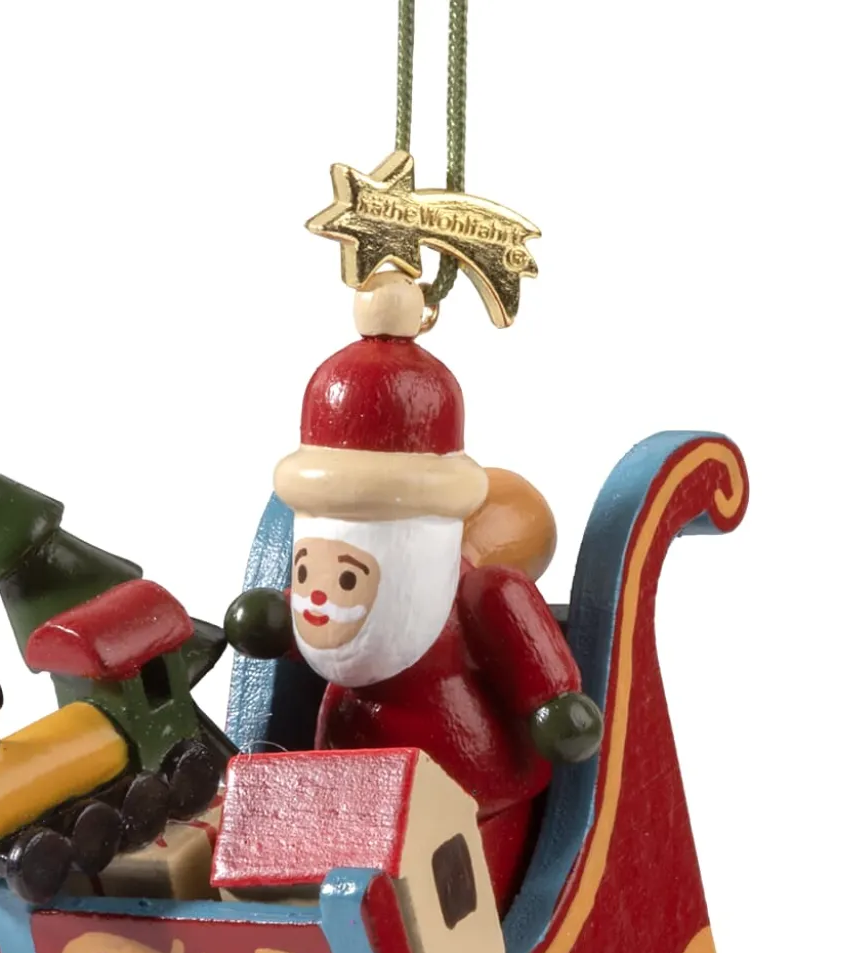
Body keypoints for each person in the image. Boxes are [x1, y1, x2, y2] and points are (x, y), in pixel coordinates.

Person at [226, 272, 601, 906]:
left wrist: (553, 704)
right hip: (347, 780)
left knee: (438, 891)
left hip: (464, 783)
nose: (318, 596)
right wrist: (276, 619)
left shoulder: (482, 594)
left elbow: (532, 662)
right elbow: (322, 626)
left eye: (348, 576)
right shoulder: (340, 591)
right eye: (308, 573)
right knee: (337, 870)